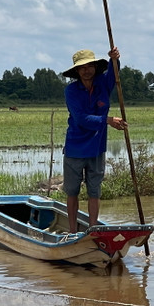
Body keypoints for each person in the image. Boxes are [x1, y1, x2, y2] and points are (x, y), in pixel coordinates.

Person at [60, 47, 128, 232]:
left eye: (90, 66)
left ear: (95, 67)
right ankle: (73, 231)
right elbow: (81, 118)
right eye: (82, 67)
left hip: (97, 148)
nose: (86, 70)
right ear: (77, 71)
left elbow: (114, 73)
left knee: (94, 192)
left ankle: (93, 231)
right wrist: (108, 120)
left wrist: (115, 59)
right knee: (72, 192)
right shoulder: (71, 91)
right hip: (75, 147)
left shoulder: (103, 84)